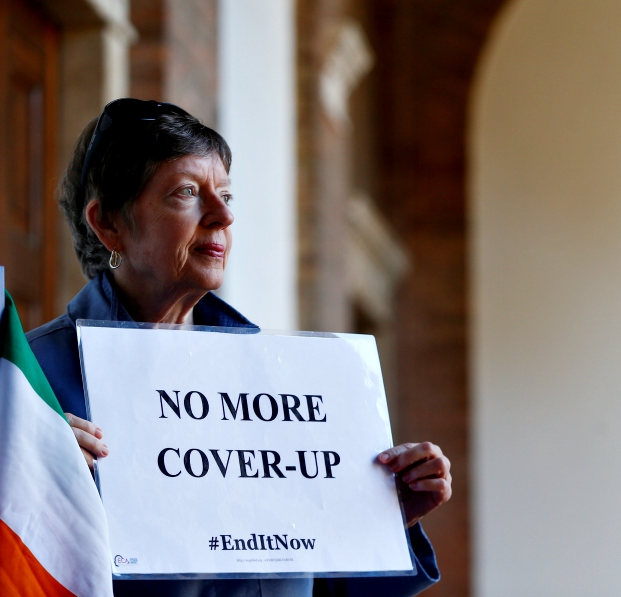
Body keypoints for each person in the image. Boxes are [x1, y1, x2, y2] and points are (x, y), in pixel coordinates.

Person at [26, 99, 451, 597]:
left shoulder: (281, 377)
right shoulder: (28, 382)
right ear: (109, 223)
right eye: (186, 192)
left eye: (226, 194)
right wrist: (22, 485)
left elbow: (314, 582)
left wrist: (380, 523)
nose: (223, 215)